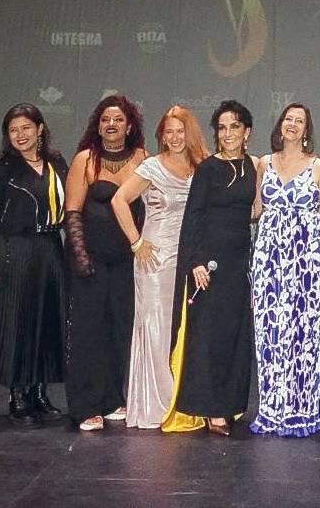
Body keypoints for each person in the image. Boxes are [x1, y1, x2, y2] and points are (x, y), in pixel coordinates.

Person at [162, 100, 258, 436]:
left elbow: (257, 210)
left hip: (238, 264)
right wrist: (196, 262)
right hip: (210, 265)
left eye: (235, 127)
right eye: (222, 128)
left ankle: (231, 405)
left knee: (234, 336)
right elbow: (193, 218)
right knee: (209, 337)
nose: (228, 134)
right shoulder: (207, 169)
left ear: (247, 132)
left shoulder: (254, 166)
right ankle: (212, 410)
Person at [112, 106, 206, 429]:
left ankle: (183, 402)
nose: (175, 138)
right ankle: (156, 405)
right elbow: (118, 200)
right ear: (161, 136)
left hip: (189, 259)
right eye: (169, 132)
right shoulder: (151, 167)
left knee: (183, 330)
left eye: (180, 131)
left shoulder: (201, 167)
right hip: (154, 260)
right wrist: (136, 242)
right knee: (155, 328)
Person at [0, 103, 69, 426]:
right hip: (16, 250)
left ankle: (40, 392)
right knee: (19, 322)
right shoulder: (2, 168)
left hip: (51, 249)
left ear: (40, 129)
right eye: (13, 130)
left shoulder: (57, 163)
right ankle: (18, 393)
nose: (20, 135)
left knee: (48, 322)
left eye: (26, 128)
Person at [60, 96, 147, 431]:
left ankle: (112, 399)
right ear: (97, 126)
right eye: (105, 120)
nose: (111, 125)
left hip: (127, 262)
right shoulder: (85, 159)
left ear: (129, 125)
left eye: (118, 120)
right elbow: (72, 212)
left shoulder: (142, 158)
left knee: (119, 329)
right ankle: (86, 406)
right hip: (91, 262)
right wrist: (81, 258)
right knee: (88, 332)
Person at [249, 103, 320, 437]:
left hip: (307, 258)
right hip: (269, 257)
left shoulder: (319, 166)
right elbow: (255, 210)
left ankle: (302, 411)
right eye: (289, 119)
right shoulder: (263, 163)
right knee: (270, 332)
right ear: (280, 124)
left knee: (304, 332)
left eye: (300, 121)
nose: (293, 125)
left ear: (307, 129)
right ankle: (271, 409)